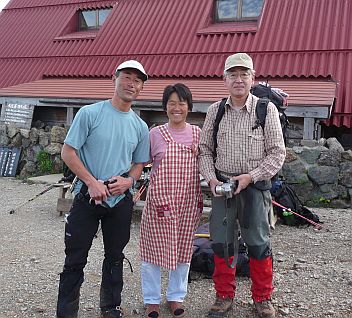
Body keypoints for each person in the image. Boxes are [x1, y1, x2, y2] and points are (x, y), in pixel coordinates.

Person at [56, 60, 150, 318]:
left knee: (115, 255)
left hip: (119, 200)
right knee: (75, 257)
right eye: (127, 77)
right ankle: (66, 311)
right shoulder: (90, 113)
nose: (131, 83)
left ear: (141, 87)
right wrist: (90, 181)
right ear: (115, 78)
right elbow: (68, 151)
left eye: (137, 80)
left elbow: (139, 163)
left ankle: (110, 307)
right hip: (88, 197)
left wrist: (129, 181)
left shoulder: (140, 126)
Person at [199, 53, 286, 318]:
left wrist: (251, 176)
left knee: (258, 243)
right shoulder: (214, 111)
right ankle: (224, 296)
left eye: (243, 74)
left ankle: (262, 298)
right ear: (224, 79)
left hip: (254, 187)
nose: (238, 80)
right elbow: (204, 151)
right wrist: (212, 179)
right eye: (232, 74)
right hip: (222, 187)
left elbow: (277, 153)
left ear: (252, 77)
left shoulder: (265, 109)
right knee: (221, 243)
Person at [139, 83, 203, 318]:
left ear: (189, 107)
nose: (177, 108)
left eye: (182, 103)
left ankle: (176, 296)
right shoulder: (155, 133)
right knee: (151, 252)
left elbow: (206, 164)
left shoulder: (198, 133)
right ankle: (151, 300)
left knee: (184, 251)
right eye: (172, 103)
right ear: (165, 107)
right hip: (159, 203)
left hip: (187, 203)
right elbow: (140, 163)